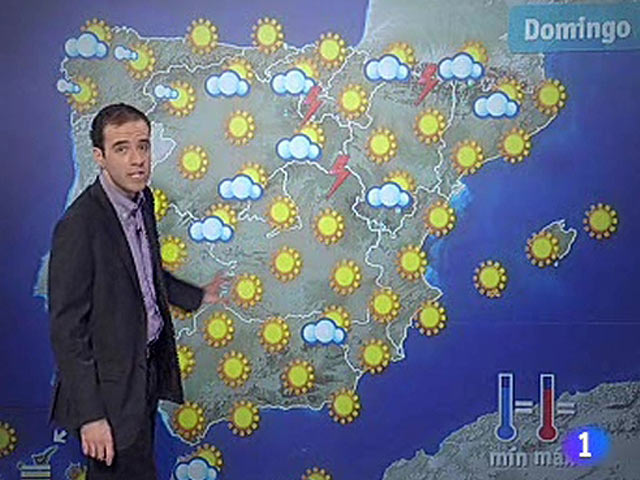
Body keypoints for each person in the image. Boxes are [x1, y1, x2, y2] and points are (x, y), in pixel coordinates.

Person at [48, 103, 228, 478]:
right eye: (122, 148)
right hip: (107, 394)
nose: (137, 160)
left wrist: (196, 296)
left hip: (142, 376)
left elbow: (144, 271)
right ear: (99, 157)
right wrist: (91, 416)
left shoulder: (142, 200)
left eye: (142, 146)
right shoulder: (80, 226)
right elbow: (68, 332)